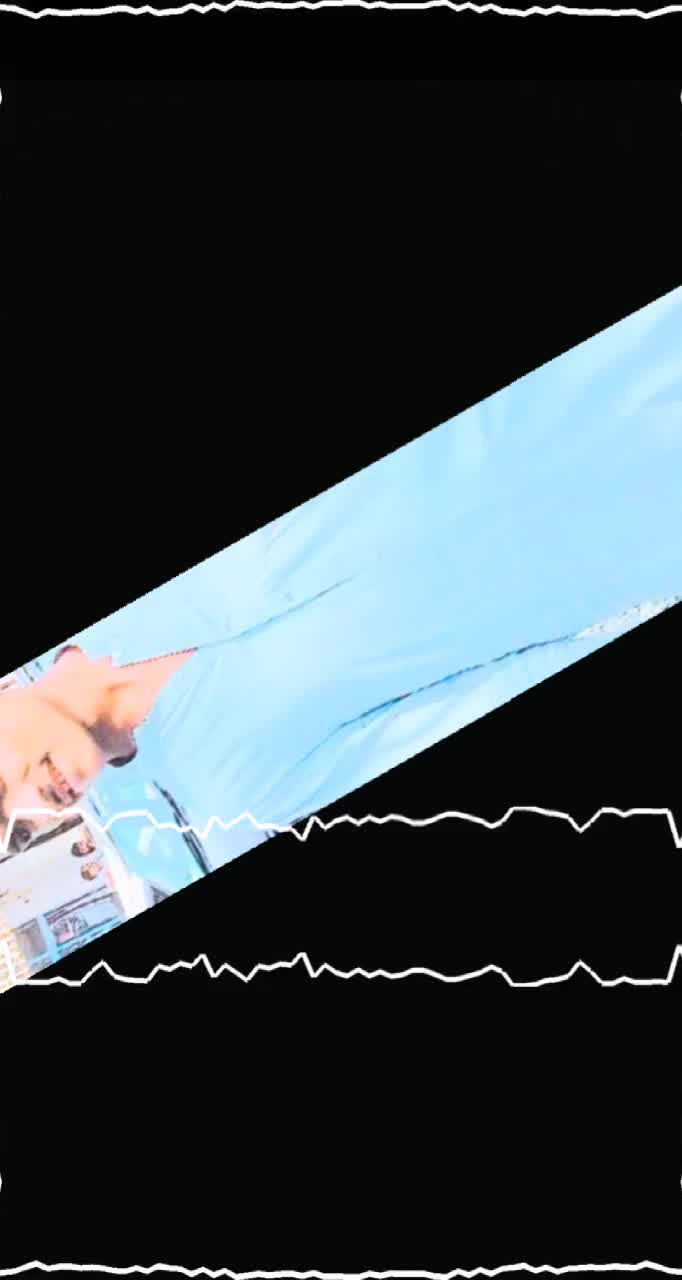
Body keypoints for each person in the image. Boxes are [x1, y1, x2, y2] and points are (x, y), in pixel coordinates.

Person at [1, 286, 682, 865]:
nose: (32, 804)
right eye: (15, 832)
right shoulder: (218, 810)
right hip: (627, 534)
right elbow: (467, 710)